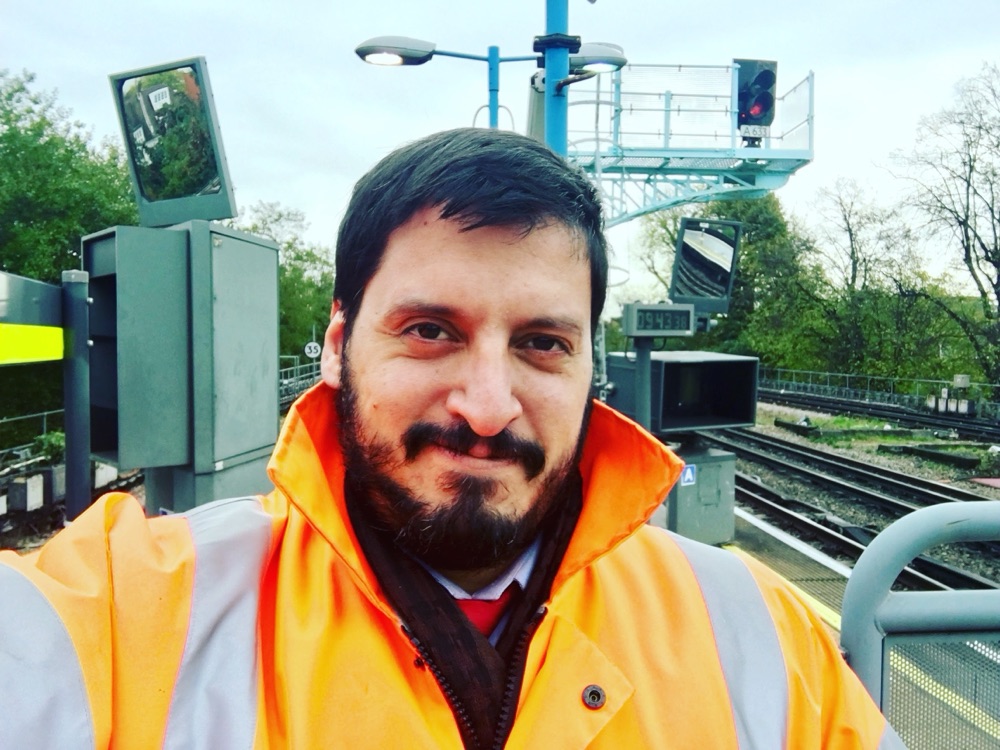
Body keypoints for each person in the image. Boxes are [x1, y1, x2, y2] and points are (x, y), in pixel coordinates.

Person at [0, 128, 904, 749]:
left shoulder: (756, 631)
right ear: (337, 347)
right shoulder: (128, 613)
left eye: (542, 344)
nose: (485, 405)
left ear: (594, 368)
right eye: (431, 330)